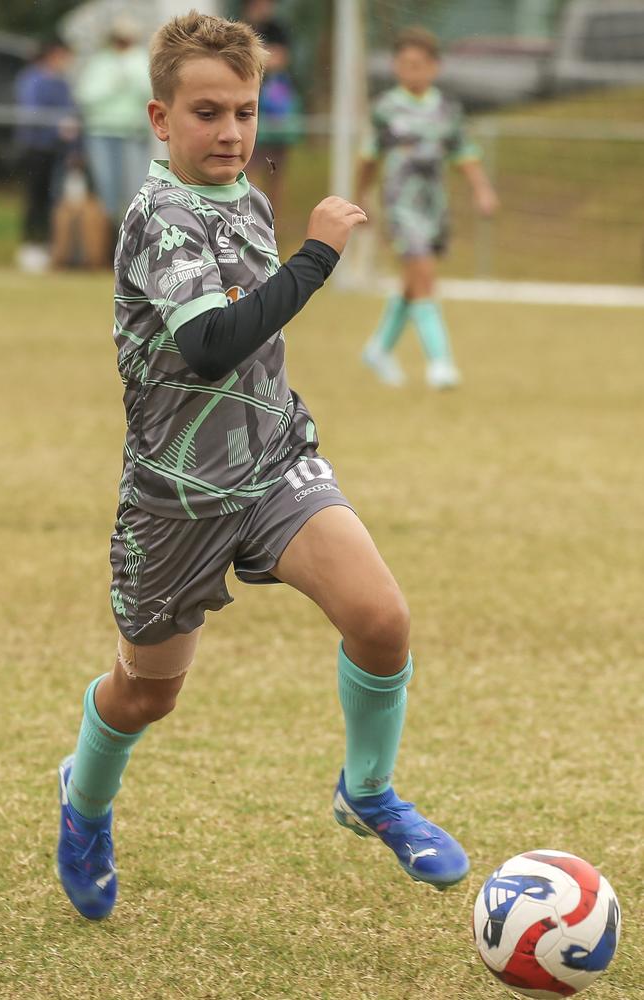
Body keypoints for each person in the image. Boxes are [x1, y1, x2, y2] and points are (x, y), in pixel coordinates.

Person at [56, 11, 469, 922]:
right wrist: (317, 254)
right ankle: (83, 806)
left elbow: (252, 335)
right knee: (144, 697)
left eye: (244, 111)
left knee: (382, 618)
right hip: (178, 497)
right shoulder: (157, 213)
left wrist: (297, 255)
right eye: (208, 112)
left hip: (275, 461)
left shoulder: (245, 195)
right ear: (161, 120)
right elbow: (207, 343)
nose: (232, 132)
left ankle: (367, 793)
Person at [357, 27, 499, 390]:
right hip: (399, 204)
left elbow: (464, 153)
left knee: (414, 280)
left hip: (434, 206)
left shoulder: (446, 109)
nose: (411, 71)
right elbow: (369, 157)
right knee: (423, 275)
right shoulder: (386, 108)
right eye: (404, 64)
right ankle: (441, 364)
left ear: (434, 67)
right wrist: (359, 197)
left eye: (418, 65)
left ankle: (378, 349)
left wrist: (482, 189)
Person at [75, 14, 152, 234]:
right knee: (106, 190)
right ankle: (106, 241)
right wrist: (114, 85)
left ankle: (132, 239)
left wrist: (128, 76)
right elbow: (85, 96)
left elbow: (149, 93)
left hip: (133, 134)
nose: (122, 42)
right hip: (101, 132)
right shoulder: (100, 62)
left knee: (134, 190)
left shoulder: (141, 60)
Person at [14, 37, 79, 273]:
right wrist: (57, 126)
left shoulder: (62, 82)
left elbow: (71, 111)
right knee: (35, 198)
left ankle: (50, 246)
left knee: (53, 199)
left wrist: (73, 147)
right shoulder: (32, 79)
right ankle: (30, 246)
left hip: (57, 150)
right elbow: (32, 112)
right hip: (36, 148)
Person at [247, 24, 302, 218]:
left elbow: (290, 108)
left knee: (276, 180)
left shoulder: (286, 81)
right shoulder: (255, 80)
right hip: (259, 138)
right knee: (250, 177)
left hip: (279, 139)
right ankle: (250, 215)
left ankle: (270, 221)